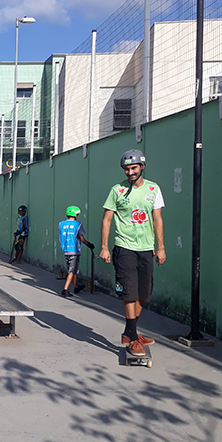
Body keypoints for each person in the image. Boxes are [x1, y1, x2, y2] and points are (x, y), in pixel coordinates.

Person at [100, 149, 166, 357]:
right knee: (130, 293)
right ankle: (133, 337)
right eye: (126, 169)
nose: (129, 172)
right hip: (124, 247)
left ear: (142, 167)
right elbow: (107, 220)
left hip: (146, 248)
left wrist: (161, 247)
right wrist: (104, 247)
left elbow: (157, 220)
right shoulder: (116, 190)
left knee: (144, 293)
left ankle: (130, 332)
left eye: (133, 168)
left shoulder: (153, 189)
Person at [58, 206, 94, 298]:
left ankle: (76, 286)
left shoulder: (61, 224)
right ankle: (65, 290)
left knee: (73, 269)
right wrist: (89, 244)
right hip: (74, 250)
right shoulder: (78, 225)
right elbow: (82, 239)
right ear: (76, 215)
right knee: (72, 270)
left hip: (65, 250)